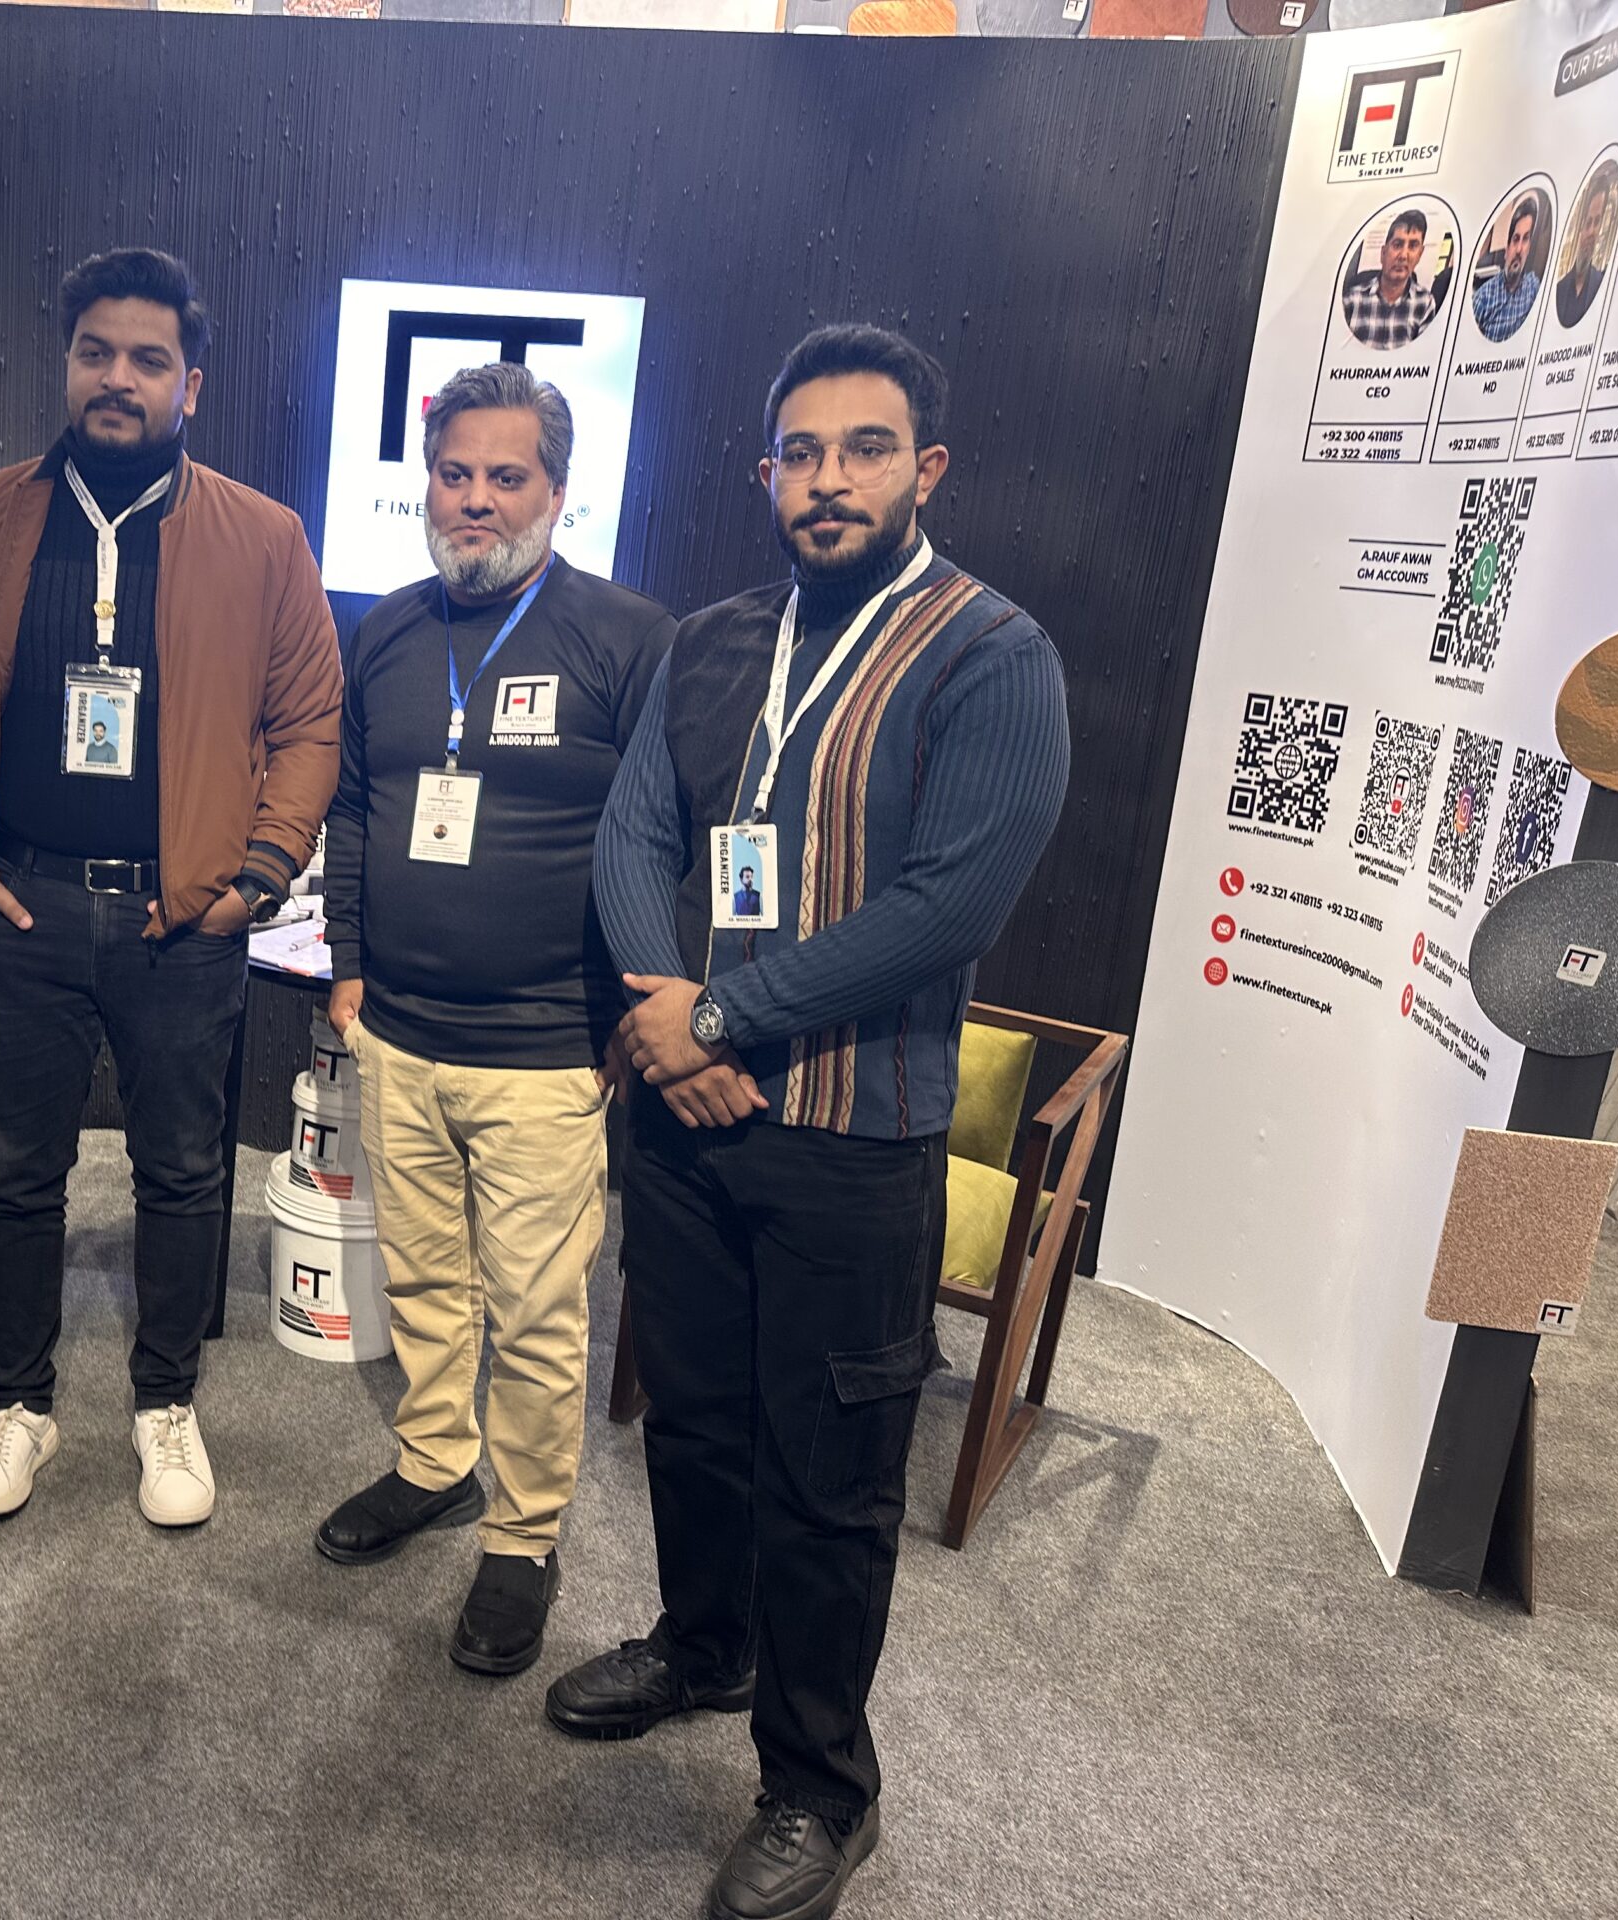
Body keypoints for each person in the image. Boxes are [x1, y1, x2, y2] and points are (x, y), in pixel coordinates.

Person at [558, 325, 1069, 1920]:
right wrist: (669, 1009)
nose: (827, 479)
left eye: (864, 449)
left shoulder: (994, 656)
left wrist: (714, 1020)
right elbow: (633, 834)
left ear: (927, 470)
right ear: (765, 471)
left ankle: (821, 1789)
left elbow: (946, 908)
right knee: (694, 1419)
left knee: (834, 1477)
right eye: (800, 452)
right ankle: (705, 1644)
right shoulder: (713, 641)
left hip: (855, 1138)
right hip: (688, 1127)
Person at [0, 247, 340, 1528]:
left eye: (148, 360)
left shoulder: (262, 537)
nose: (116, 379)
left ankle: (165, 1402)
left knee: (182, 1169)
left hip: (179, 918)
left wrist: (256, 875)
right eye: (95, 353)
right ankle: (18, 1403)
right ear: (67, 363)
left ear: (191, 384)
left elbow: (308, 722)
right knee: (13, 1171)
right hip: (18, 906)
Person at [314, 362, 673, 1675]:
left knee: (533, 1314)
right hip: (399, 1034)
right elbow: (355, 807)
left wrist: (639, 1001)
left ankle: (523, 1537)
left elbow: (667, 839)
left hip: (545, 1049)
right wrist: (349, 965)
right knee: (423, 1279)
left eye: (504, 476)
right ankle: (435, 1463)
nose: (474, 499)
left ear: (556, 492)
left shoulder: (628, 638)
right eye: (454, 473)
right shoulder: (386, 632)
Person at [1342, 208, 1440, 349]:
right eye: (1397, 245)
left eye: (1413, 246)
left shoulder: (1425, 303)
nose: (1403, 255)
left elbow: (1422, 356)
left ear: (1420, 254)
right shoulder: (1353, 299)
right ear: (1383, 253)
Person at [1471, 199, 1542, 345]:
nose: (1519, 249)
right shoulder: (1482, 299)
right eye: (1515, 239)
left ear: (1529, 247)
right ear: (1507, 248)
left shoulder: (1533, 287)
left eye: (1525, 239)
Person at [1555, 180, 1616, 328]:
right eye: (1588, 223)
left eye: (1597, 222)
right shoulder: (1559, 289)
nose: (1591, 232)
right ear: (1580, 228)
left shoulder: (1603, 286)